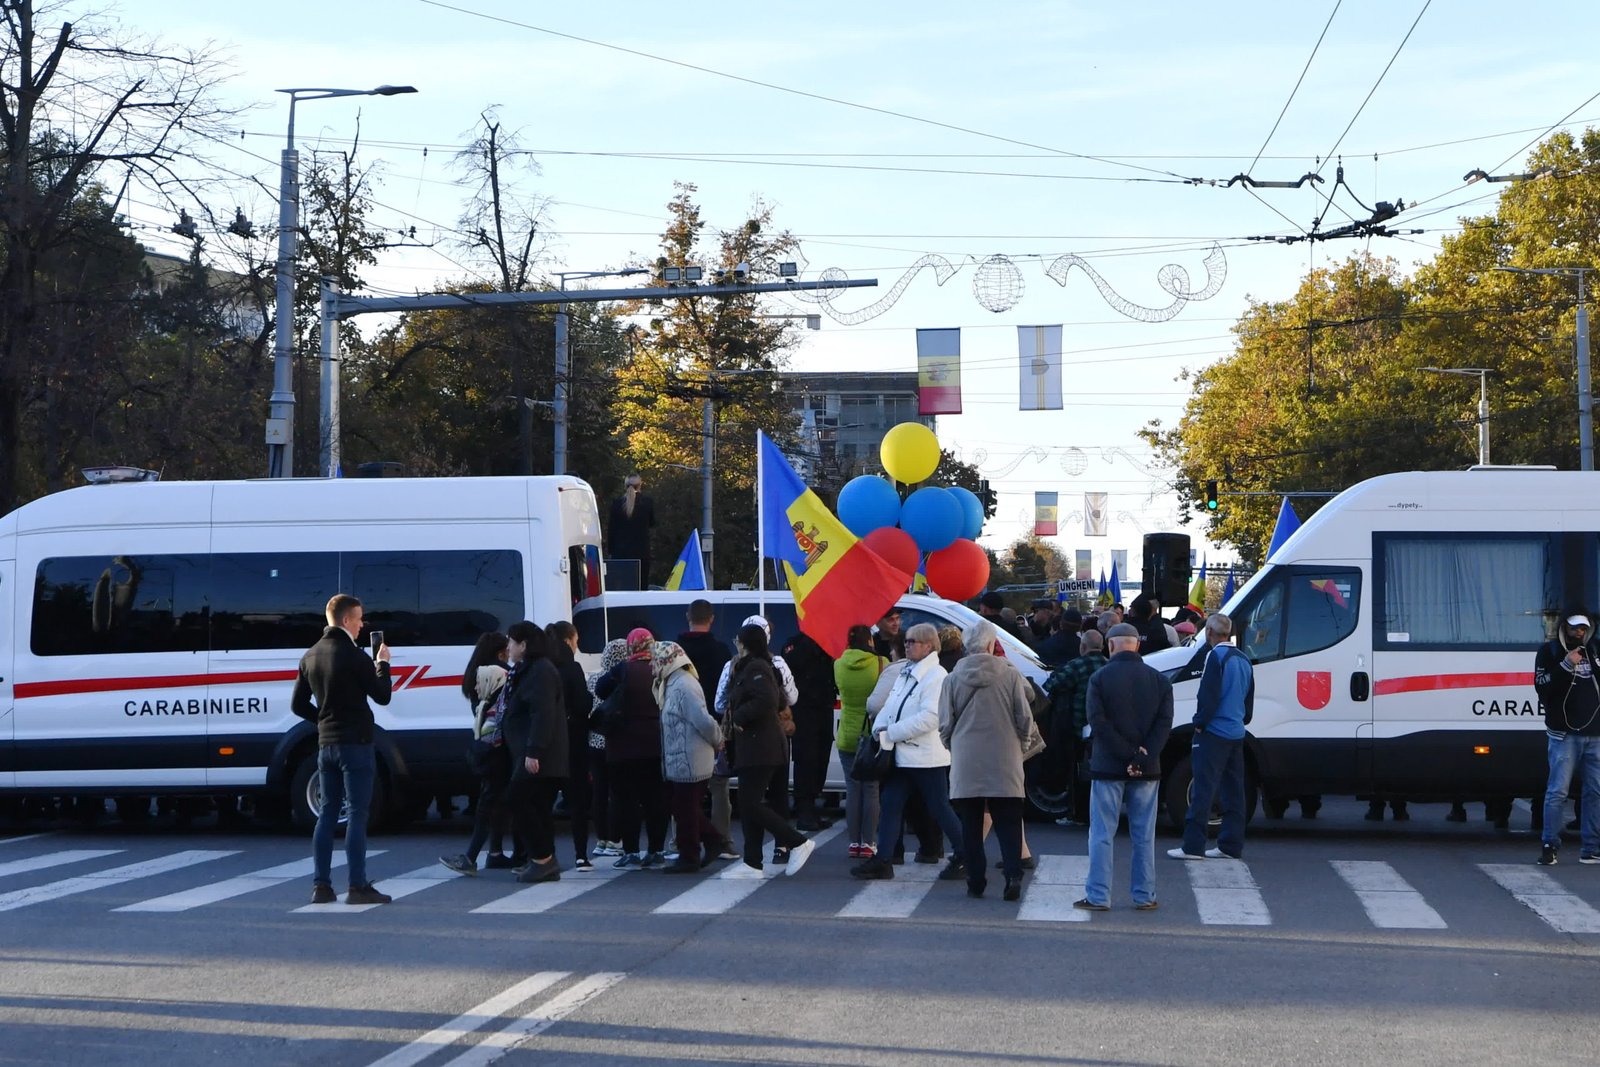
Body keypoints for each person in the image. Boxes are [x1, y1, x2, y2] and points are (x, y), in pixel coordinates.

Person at [291, 594, 393, 906]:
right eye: (360, 619)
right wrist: (383, 664)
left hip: (326, 745)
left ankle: (321, 885)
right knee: (358, 815)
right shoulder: (355, 656)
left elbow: (297, 705)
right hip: (356, 745)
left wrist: (322, 720)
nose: (363, 625)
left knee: (327, 813)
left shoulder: (310, 655)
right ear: (346, 620)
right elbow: (383, 695)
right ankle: (357, 885)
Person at [850, 622, 966, 883]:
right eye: (907, 641)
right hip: (902, 755)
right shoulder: (907, 671)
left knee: (939, 808)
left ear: (929, 646)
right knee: (890, 806)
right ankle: (884, 860)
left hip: (926, 757)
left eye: (913, 641)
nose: (907, 644)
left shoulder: (936, 676)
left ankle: (965, 854)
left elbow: (930, 717)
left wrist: (891, 732)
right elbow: (891, 705)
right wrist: (881, 727)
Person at [1076, 622, 1173, 912]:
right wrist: (1141, 756)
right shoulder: (1159, 680)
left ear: (1110, 646)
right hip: (1147, 768)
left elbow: (1098, 723)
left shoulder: (1100, 678)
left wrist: (1124, 754)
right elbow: (1163, 724)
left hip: (1108, 765)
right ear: (1137, 645)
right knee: (1144, 835)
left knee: (1102, 833)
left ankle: (1098, 896)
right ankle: (1144, 895)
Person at [940, 619, 1035, 900]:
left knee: (970, 822)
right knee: (1008, 819)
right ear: (993, 644)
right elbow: (1024, 716)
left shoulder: (952, 678)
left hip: (967, 757)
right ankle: (1013, 877)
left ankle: (976, 881)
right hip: (1005, 755)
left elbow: (945, 723)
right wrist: (1023, 744)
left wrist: (954, 747)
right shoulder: (1010, 675)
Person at [725, 623, 815, 878]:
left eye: (738, 640)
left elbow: (767, 699)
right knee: (748, 803)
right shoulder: (755, 666)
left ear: (745, 643)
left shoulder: (756, 667)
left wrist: (739, 718)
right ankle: (752, 863)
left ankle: (797, 841)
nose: (736, 644)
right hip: (755, 746)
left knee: (751, 804)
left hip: (761, 745)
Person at [1168, 613, 1253, 861]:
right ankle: (1231, 845)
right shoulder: (1243, 658)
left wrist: (1199, 723)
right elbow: (1248, 701)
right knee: (1234, 791)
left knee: (1203, 789)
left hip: (1214, 732)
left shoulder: (1215, 656)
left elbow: (1209, 695)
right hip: (1237, 731)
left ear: (1209, 634)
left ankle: (1193, 846)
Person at [439, 633, 517, 876]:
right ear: (499, 653)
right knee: (493, 802)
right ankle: (476, 856)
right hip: (501, 746)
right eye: (506, 649)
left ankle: (492, 853)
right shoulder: (500, 674)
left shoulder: (477, 678)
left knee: (492, 800)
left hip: (485, 743)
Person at [497, 622, 568, 884]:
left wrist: (534, 751)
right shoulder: (530, 670)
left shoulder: (540, 671)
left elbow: (543, 714)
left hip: (539, 756)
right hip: (529, 753)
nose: (508, 647)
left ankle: (542, 859)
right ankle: (544, 859)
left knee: (517, 799)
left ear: (524, 645)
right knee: (537, 807)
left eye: (512, 642)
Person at [653, 640, 730, 873]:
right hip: (681, 757)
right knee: (684, 808)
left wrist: (718, 740)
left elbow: (702, 719)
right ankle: (711, 842)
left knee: (684, 809)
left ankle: (691, 856)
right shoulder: (672, 683)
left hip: (690, 758)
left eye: (656, 660)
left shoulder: (683, 685)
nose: (652, 666)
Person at [595, 628, 670, 868]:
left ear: (631, 646)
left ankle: (631, 851)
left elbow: (600, 689)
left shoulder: (622, 670)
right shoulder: (662, 670)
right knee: (655, 801)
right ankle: (656, 849)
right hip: (655, 746)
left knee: (626, 801)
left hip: (622, 748)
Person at [1534, 610, 1600, 865]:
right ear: (1565, 628)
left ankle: (1591, 847)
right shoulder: (1549, 652)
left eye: (1583, 628)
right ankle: (1550, 844)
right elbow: (1543, 687)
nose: (1579, 633)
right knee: (1557, 792)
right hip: (1564, 735)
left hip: (1595, 733)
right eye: (1575, 628)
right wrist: (1566, 664)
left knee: (1595, 791)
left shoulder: (1594, 650)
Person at [677, 599, 735, 853]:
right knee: (719, 786)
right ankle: (723, 840)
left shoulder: (676, 651)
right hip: (714, 724)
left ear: (687, 616)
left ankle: (678, 840)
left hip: (681, 726)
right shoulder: (722, 651)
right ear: (711, 619)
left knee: (681, 787)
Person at [1043, 627, 1107, 826]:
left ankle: (1078, 814)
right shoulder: (1108, 665)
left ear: (1083, 646)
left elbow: (1050, 685)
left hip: (1079, 727)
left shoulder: (1077, 665)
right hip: (1105, 730)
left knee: (1078, 773)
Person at [547, 621, 595, 870]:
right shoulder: (572, 668)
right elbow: (583, 704)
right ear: (569, 640)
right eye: (576, 641)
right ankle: (580, 855)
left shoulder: (543, 666)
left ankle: (544, 855)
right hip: (573, 742)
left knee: (544, 802)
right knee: (577, 802)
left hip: (546, 742)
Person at [835, 624, 886, 858]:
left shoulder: (838, 664)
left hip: (846, 733)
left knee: (852, 788)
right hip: (871, 733)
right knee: (872, 789)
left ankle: (853, 843)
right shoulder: (881, 664)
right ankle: (869, 842)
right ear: (870, 642)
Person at [780, 629, 837, 831]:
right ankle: (805, 809)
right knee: (807, 760)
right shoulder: (796, 644)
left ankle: (810, 804)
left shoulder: (829, 642)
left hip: (824, 707)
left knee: (821, 759)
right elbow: (790, 664)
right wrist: (814, 644)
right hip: (804, 711)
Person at [587, 639, 628, 857]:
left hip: (594, 742)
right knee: (617, 793)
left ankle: (601, 839)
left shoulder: (593, 678)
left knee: (599, 793)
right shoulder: (621, 679)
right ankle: (615, 839)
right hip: (614, 742)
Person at [606, 473, 656, 588]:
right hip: (641, 552)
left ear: (625, 485)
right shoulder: (647, 502)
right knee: (641, 587)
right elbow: (652, 523)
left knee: (622, 587)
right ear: (640, 485)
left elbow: (611, 530)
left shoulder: (617, 504)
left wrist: (610, 551)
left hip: (620, 553)